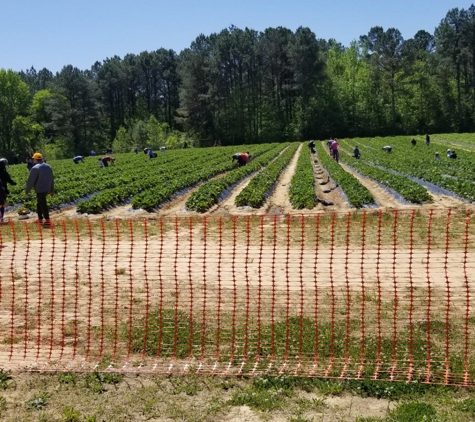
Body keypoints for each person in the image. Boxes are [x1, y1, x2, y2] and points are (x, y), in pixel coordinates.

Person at [25, 153, 54, 226]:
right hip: (47, 188)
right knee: (39, 203)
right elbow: (51, 179)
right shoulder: (48, 166)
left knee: (43, 204)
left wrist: (27, 191)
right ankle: (40, 219)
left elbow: (31, 181)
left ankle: (47, 221)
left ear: (35, 159)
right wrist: (51, 190)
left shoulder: (35, 168)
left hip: (40, 189)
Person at [0, 159, 17, 223]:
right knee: (2, 204)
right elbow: (10, 181)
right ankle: (1, 218)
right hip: (3, 191)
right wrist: (14, 183)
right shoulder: (4, 173)